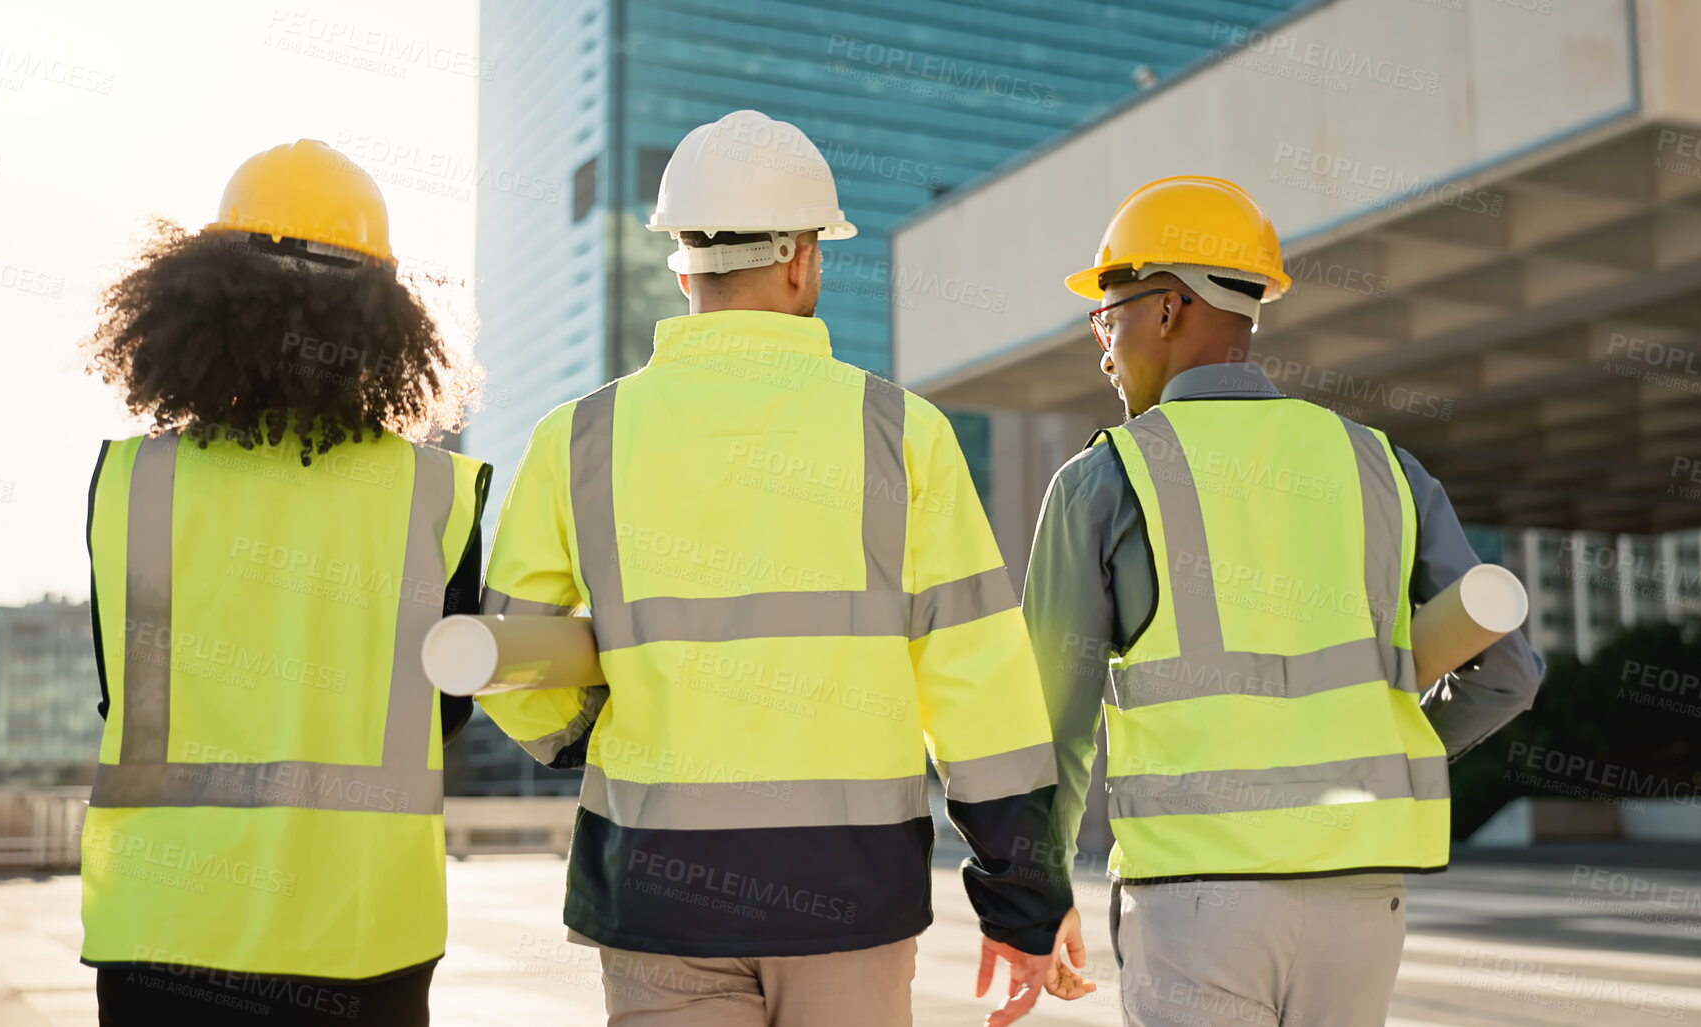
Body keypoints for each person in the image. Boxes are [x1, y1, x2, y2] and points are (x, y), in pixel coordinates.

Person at [475, 109, 1081, 1027]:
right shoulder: (899, 433)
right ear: (802, 256)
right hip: (849, 889)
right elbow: (977, 689)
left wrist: (590, 726)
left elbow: (509, 656)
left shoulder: (578, 438)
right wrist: (1022, 904)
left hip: (654, 885)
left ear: (681, 263)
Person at [1024, 176, 1546, 1027]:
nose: (1103, 348)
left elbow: (1051, 724)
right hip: (1360, 901)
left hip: (1198, 899)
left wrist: (1029, 897)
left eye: (1106, 316)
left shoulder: (1104, 480)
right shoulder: (1381, 466)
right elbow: (1509, 675)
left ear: (1165, 308)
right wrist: (1376, 757)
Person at [77, 139, 488, 1026]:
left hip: (163, 932)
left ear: (195, 296)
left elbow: (122, 696)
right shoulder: (434, 495)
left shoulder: (133, 483)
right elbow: (446, 711)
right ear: (385, 319)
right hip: (363, 936)